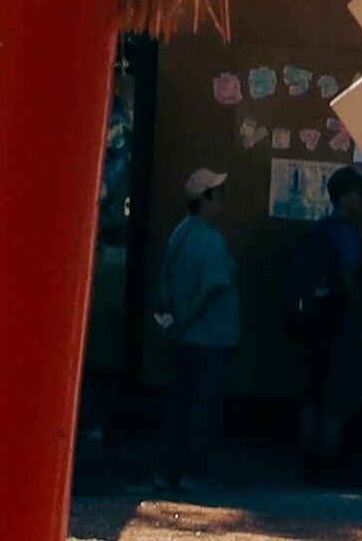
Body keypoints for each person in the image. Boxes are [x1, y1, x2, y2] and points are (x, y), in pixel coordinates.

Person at [149, 171, 241, 492]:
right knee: (203, 409)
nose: (223, 197)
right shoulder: (211, 240)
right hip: (210, 338)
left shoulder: (180, 233)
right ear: (204, 199)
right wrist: (186, 321)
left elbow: (164, 280)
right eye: (217, 192)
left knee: (179, 406)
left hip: (183, 339)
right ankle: (194, 473)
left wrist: (172, 324)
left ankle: (167, 471)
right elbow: (210, 289)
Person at [281, 187, 362, 477]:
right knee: (333, 397)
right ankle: (330, 457)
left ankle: (307, 455)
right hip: (338, 323)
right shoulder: (347, 232)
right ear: (345, 196)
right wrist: (360, 323)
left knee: (311, 392)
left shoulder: (321, 228)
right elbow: (349, 279)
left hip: (312, 321)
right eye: (359, 194)